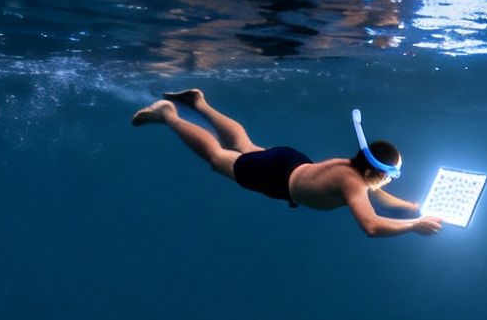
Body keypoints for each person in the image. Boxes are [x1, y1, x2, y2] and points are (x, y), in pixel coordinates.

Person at [132, 89, 443, 238]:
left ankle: (199, 102)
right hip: (277, 178)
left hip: (290, 162)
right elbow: (371, 225)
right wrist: (413, 226)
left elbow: (380, 198)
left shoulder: (352, 169)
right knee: (217, 157)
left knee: (245, 146)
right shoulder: (354, 184)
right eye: (391, 175)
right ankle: (168, 115)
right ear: (375, 171)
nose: (390, 181)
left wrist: (412, 207)